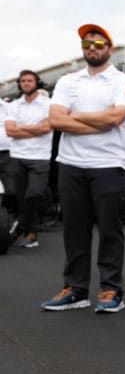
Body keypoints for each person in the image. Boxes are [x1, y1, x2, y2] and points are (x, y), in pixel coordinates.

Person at [42, 23, 125, 312]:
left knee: (109, 230)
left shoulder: (123, 81)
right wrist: (98, 119)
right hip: (70, 164)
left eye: (98, 44)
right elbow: (56, 120)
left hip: (109, 164)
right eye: (86, 45)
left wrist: (77, 116)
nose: (92, 48)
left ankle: (111, 290)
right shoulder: (68, 81)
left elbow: (115, 118)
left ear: (109, 48)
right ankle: (75, 288)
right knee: (74, 230)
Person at [5, 70, 53, 248]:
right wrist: (35, 129)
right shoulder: (14, 105)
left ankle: (18, 226)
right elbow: (10, 131)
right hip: (18, 156)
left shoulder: (49, 104)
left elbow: (48, 128)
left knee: (34, 194)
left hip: (40, 157)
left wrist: (22, 130)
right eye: (23, 81)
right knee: (21, 197)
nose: (26, 83)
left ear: (36, 82)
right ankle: (30, 234)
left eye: (29, 80)